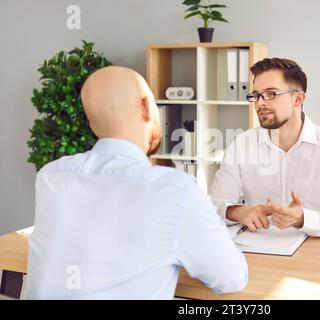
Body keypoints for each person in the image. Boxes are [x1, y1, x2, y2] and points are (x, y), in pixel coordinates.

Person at [23, 66, 248, 299]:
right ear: (147, 107)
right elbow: (231, 278)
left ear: (92, 123)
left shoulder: (51, 176)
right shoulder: (176, 191)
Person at [210, 58, 320, 237]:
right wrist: (237, 212)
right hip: (257, 249)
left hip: (316, 252)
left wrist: (303, 219)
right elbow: (212, 206)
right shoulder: (241, 145)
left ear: (297, 99)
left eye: (271, 94)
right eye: (256, 95)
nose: (260, 103)